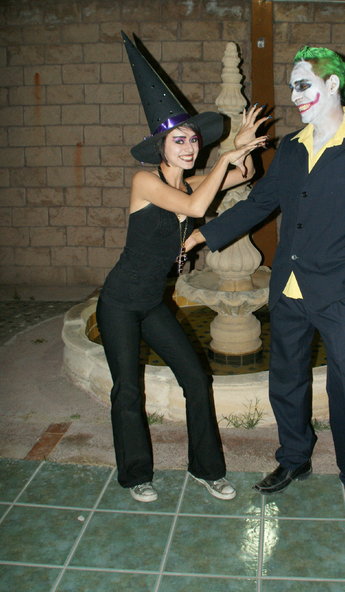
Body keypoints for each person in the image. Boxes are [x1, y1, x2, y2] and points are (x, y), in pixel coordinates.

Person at [185, 46, 345, 520]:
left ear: (332, 84)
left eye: (304, 84)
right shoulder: (293, 148)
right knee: (286, 380)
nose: (295, 95)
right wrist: (201, 235)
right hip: (288, 288)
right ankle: (294, 458)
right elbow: (259, 204)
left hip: (340, 295)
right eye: (292, 86)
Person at [97, 31, 267, 503]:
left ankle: (206, 470)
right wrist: (226, 157)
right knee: (127, 390)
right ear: (161, 146)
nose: (190, 146)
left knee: (196, 378)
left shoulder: (193, 182)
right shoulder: (145, 183)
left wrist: (243, 147)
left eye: (193, 139)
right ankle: (136, 475)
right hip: (119, 302)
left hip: (152, 303)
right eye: (179, 140)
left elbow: (245, 174)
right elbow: (195, 207)